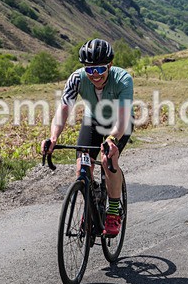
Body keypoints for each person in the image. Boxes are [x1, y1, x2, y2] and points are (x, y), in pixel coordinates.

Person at [42, 39, 133, 237]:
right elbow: (63, 110)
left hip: (119, 123)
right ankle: (93, 201)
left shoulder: (123, 79)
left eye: (100, 69)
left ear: (110, 65)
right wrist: (53, 137)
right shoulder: (76, 78)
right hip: (93, 120)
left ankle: (113, 211)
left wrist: (112, 139)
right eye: (90, 70)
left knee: (108, 160)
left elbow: (123, 119)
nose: (95, 75)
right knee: (82, 167)